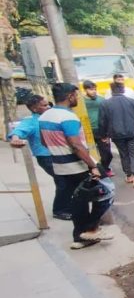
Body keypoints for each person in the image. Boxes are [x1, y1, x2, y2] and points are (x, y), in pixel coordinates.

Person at [39, 83, 111, 249]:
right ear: (70, 95)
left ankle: (79, 238)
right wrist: (92, 165)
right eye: (76, 95)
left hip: (59, 166)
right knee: (108, 192)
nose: (77, 98)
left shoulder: (45, 116)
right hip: (77, 166)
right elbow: (76, 145)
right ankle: (91, 229)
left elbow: (44, 142)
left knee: (78, 202)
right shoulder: (68, 117)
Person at [7, 95, 71, 219]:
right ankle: (60, 210)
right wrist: (15, 139)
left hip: (58, 154)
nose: (48, 107)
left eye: (49, 104)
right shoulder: (31, 121)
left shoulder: (51, 117)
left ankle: (66, 205)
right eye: (44, 105)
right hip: (46, 157)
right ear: (34, 108)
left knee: (65, 180)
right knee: (63, 181)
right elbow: (18, 131)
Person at [99, 82, 134, 188]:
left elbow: (102, 121)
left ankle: (129, 176)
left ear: (111, 90)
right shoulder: (132, 102)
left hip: (116, 134)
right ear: (123, 90)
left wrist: (103, 135)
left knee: (124, 154)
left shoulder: (105, 104)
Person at [82, 81, 114, 177]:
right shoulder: (81, 102)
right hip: (87, 131)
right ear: (85, 90)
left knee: (107, 154)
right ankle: (96, 172)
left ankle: (104, 169)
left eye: (95, 89)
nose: (93, 91)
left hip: (101, 130)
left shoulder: (101, 100)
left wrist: (108, 132)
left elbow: (108, 115)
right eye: (91, 89)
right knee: (90, 154)